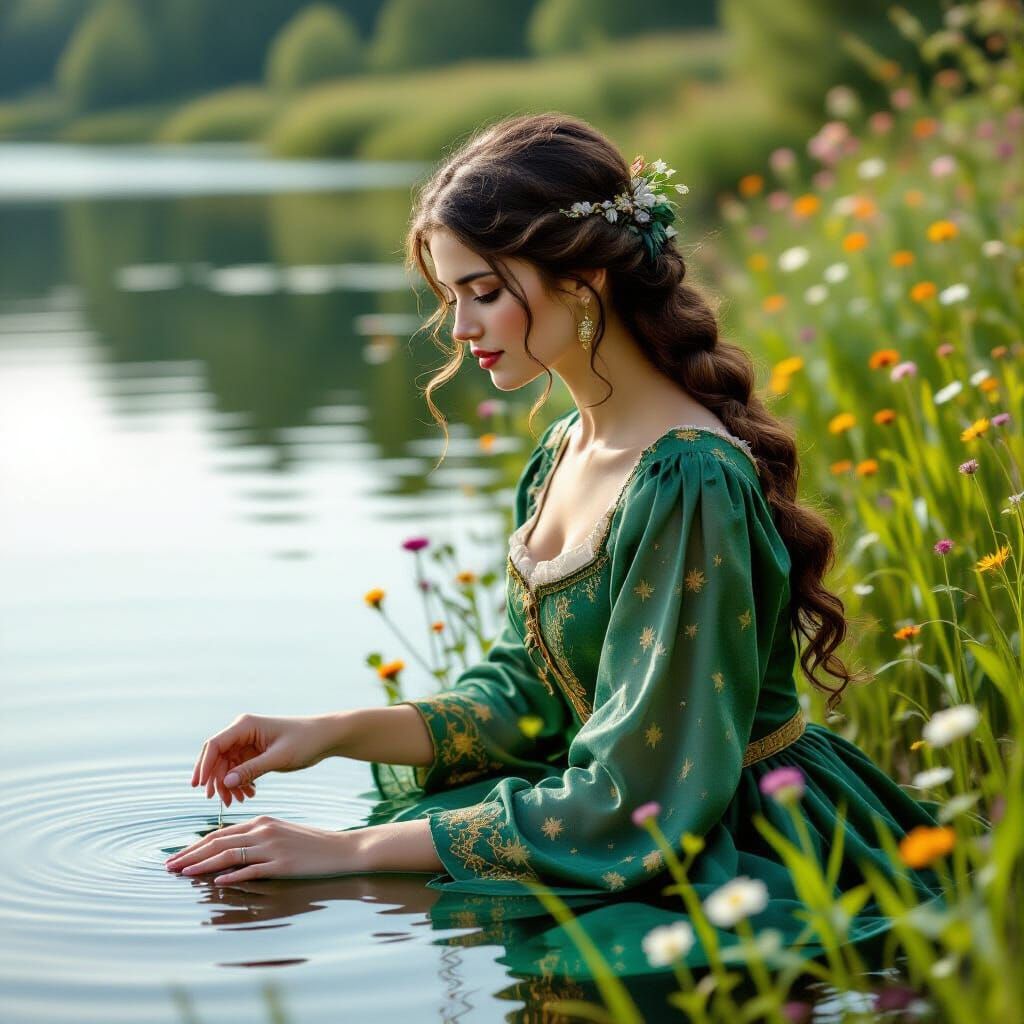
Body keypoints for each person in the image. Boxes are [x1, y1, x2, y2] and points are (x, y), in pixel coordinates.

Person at [166, 113, 946, 979]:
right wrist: (329, 732)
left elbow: (643, 789)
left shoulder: (687, 480)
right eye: (450, 297)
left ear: (583, 280)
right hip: (623, 807)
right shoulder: (562, 450)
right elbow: (527, 701)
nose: (459, 328)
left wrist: (348, 852)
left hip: (720, 832)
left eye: (483, 292)